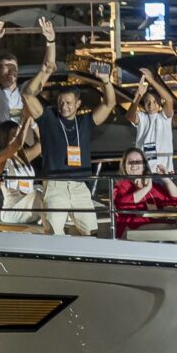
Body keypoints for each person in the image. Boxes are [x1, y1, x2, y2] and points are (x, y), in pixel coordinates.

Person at [22, 64, 118, 236]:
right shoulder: (48, 119)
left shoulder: (85, 121)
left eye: (68, 103)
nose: (64, 106)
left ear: (78, 104)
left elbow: (110, 103)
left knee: (91, 234)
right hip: (55, 186)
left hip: (80, 187)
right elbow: (27, 95)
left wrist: (105, 81)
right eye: (60, 102)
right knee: (53, 235)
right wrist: (44, 71)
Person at [0, 19, 56, 123]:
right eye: (6, 66)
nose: (11, 70)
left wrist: (51, 40)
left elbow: (47, 69)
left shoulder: (25, 91)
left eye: (13, 67)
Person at [111, 147, 177, 239]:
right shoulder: (121, 185)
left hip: (158, 224)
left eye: (138, 161)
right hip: (134, 227)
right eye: (130, 162)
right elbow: (123, 204)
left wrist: (166, 179)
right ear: (124, 165)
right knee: (172, 229)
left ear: (144, 165)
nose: (134, 165)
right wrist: (146, 188)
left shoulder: (154, 186)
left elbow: (175, 201)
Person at [0, 106, 41, 225]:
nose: (17, 137)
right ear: (5, 137)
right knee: (38, 195)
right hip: (13, 209)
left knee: (52, 193)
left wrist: (34, 125)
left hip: (29, 204)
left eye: (18, 134)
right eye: (14, 135)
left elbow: (43, 143)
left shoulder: (23, 156)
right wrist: (26, 120)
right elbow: (17, 144)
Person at [126, 68, 175, 175]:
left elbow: (169, 100)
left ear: (160, 103)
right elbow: (130, 116)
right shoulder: (142, 117)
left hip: (163, 170)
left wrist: (152, 81)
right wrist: (138, 96)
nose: (151, 105)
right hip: (144, 171)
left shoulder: (164, 117)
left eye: (154, 102)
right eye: (147, 102)